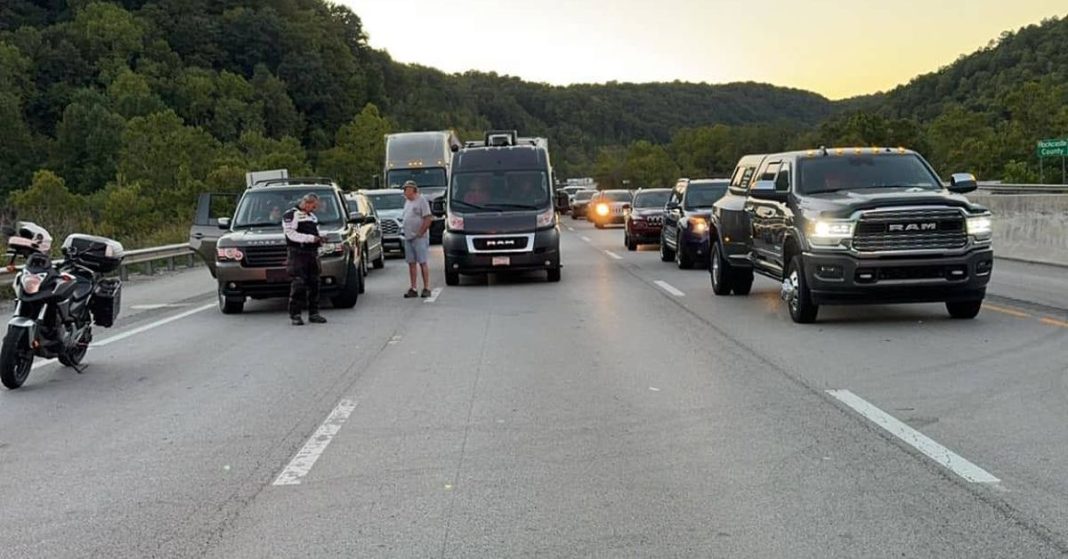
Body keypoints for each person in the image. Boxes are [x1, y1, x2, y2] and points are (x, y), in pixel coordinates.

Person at [282, 193, 328, 325]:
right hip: (298, 253)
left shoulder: (311, 216)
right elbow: (291, 234)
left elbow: (315, 233)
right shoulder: (291, 214)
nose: (314, 209)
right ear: (307, 203)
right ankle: (295, 314)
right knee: (299, 283)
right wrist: (310, 238)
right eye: (313, 206)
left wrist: (320, 238)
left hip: (312, 253)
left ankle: (314, 313)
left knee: (315, 283)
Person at [401, 180, 433, 298]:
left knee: (422, 262)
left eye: (406, 189)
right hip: (408, 237)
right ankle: (413, 287)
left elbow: (428, 218)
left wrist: (421, 232)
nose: (405, 192)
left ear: (413, 190)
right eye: (404, 189)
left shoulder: (421, 200)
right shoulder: (407, 202)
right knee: (411, 263)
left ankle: (426, 287)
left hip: (419, 237)